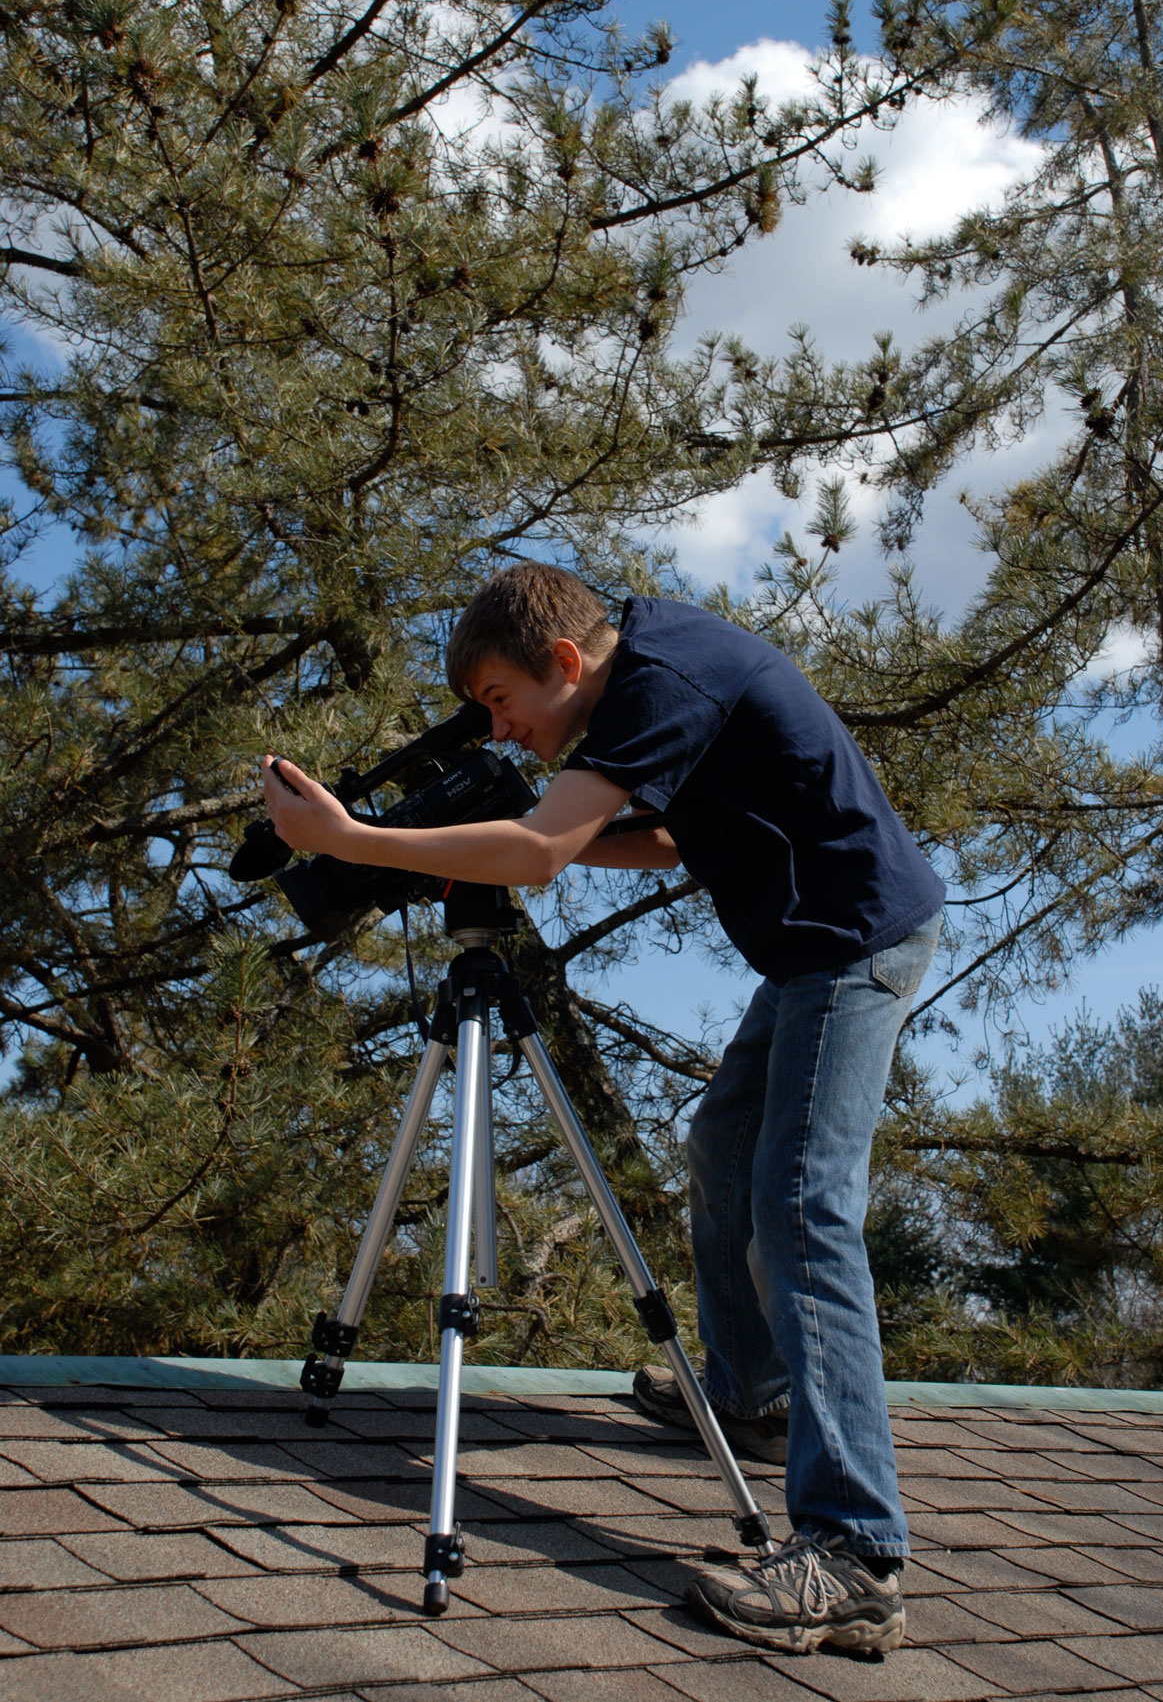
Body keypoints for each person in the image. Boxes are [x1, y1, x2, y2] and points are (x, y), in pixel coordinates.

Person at [262, 561, 945, 1657]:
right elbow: (672, 839)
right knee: (721, 1147)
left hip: (852, 941)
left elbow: (535, 855)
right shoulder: (650, 668)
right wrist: (539, 837)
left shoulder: (661, 681)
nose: (505, 727)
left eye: (500, 702)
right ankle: (755, 1399)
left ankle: (857, 1552)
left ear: (565, 663)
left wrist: (354, 841)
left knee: (802, 1202)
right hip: (810, 942)